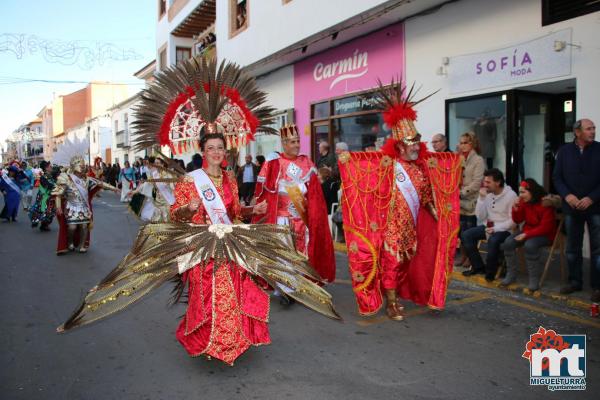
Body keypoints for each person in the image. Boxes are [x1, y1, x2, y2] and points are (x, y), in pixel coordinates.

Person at [57, 58, 339, 366]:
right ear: (202, 152)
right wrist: (188, 208)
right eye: (212, 149)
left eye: (221, 148)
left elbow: (233, 213)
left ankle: (231, 342)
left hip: (231, 244)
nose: (218, 153)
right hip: (202, 246)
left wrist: (250, 207)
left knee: (236, 291)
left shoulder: (231, 178)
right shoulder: (191, 181)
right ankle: (207, 341)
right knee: (209, 296)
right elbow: (177, 215)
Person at [338, 79, 462, 320]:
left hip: (411, 228)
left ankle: (394, 294)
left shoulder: (420, 169)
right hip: (390, 227)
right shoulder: (388, 167)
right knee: (392, 263)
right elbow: (364, 165)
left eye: (417, 141)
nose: (416, 146)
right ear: (399, 145)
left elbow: (426, 197)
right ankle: (392, 303)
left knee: (405, 263)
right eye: (410, 142)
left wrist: (438, 216)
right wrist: (346, 159)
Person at [252, 124, 336, 286]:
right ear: (284, 143)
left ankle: (301, 283)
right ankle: (285, 286)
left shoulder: (306, 161)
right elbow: (263, 191)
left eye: (298, 141)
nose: (297, 145)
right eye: (292, 142)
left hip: (302, 217)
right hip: (282, 218)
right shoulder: (274, 162)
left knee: (302, 252)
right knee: (283, 253)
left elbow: (315, 192)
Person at [553, 118, 600, 301]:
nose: (593, 131)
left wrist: (591, 198)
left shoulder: (599, 149)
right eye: (589, 129)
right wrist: (568, 196)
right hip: (572, 208)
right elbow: (557, 178)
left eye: (594, 128)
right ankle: (575, 281)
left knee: (597, 249)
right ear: (577, 132)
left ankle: (597, 286)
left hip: (595, 207)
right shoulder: (564, 152)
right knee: (573, 247)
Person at [53, 153, 118, 254]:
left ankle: (82, 245)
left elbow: (100, 183)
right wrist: (58, 207)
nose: (83, 168)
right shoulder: (67, 179)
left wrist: (114, 188)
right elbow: (58, 194)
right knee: (72, 227)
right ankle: (69, 242)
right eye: (81, 166)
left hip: (83, 207)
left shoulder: (86, 180)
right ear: (74, 167)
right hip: (72, 207)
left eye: (83, 166)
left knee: (84, 226)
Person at [500, 178, 557, 291]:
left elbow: (546, 228)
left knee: (530, 245)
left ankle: (533, 280)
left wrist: (527, 235)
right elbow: (518, 220)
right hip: (528, 231)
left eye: (523, 192)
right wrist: (515, 209)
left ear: (532, 192)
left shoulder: (545, 203)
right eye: (519, 192)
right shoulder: (524, 202)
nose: (520, 195)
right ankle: (511, 274)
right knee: (508, 242)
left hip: (545, 235)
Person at [462, 168, 517, 281]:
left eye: (488, 182)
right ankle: (478, 267)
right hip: (489, 226)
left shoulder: (511, 196)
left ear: (498, 182)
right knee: (466, 235)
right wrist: (481, 199)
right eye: (484, 182)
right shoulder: (487, 194)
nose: (485, 185)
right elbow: (480, 216)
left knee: (493, 240)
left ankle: (491, 271)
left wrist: (496, 228)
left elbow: (513, 221)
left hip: (505, 229)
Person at [455, 132, 485, 267]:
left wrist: (462, 192)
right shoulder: (458, 158)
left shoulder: (478, 160)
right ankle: (463, 255)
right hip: (459, 199)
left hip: (471, 200)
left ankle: (470, 257)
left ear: (471, 143)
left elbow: (477, 182)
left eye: (465, 142)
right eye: (460, 143)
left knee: (469, 228)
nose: (462, 145)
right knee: (460, 231)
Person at [128, 156, 176, 223]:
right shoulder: (154, 174)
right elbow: (146, 184)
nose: (156, 165)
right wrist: (134, 191)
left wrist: (168, 184)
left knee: (167, 219)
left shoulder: (168, 174)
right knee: (157, 220)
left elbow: (174, 187)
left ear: (162, 164)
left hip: (167, 200)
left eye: (158, 163)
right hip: (157, 200)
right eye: (155, 163)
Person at [29, 160, 58, 231]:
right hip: (44, 197)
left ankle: (45, 224)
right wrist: (56, 187)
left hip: (51, 196)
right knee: (43, 210)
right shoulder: (43, 177)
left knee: (50, 211)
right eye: (50, 166)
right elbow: (48, 185)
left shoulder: (51, 176)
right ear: (46, 168)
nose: (51, 168)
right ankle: (43, 224)